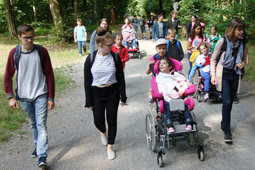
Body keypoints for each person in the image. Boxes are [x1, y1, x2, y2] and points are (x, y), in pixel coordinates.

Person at [4, 24, 55, 168]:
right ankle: (37, 144)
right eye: (26, 38)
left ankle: (42, 155)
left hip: (41, 93)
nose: (30, 40)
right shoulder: (14, 53)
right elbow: (8, 75)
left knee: (41, 124)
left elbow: (49, 74)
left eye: (32, 37)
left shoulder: (41, 51)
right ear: (19, 37)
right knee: (33, 123)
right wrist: (10, 96)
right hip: (24, 96)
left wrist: (51, 97)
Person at [84, 27, 127, 160]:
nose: (112, 46)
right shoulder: (90, 59)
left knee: (112, 119)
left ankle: (110, 146)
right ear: (100, 45)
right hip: (96, 92)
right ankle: (103, 132)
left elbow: (121, 78)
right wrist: (88, 100)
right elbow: (87, 81)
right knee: (98, 121)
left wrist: (123, 95)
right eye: (109, 45)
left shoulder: (115, 57)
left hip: (112, 91)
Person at [210, 18, 247, 143]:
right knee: (226, 102)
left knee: (230, 102)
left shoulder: (242, 43)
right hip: (224, 74)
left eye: (242, 29)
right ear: (232, 29)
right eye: (239, 29)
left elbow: (243, 60)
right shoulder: (222, 41)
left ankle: (223, 123)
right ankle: (227, 130)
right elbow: (213, 59)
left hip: (235, 74)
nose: (241, 32)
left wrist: (242, 63)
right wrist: (213, 75)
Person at [156, 56, 193, 133]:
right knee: (168, 109)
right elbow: (162, 90)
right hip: (168, 99)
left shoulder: (176, 75)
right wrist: (169, 100)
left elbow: (184, 83)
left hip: (178, 97)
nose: (161, 65)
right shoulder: (159, 77)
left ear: (170, 66)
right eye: (160, 64)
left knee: (185, 107)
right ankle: (170, 126)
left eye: (164, 63)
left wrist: (182, 90)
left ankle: (189, 123)